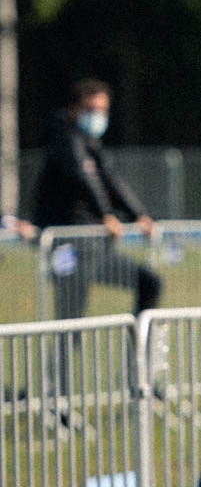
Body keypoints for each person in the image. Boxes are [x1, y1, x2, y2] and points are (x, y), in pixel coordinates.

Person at [30, 78, 161, 318]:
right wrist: (106, 215)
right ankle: (61, 357)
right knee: (71, 322)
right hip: (68, 244)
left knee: (149, 283)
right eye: (91, 110)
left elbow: (110, 180)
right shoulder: (64, 137)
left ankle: (138, 354)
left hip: (92, 246)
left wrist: (139, 214)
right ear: (74, 109)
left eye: (102, 110)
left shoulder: (91, 143)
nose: (97, 116)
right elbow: (84, 177)